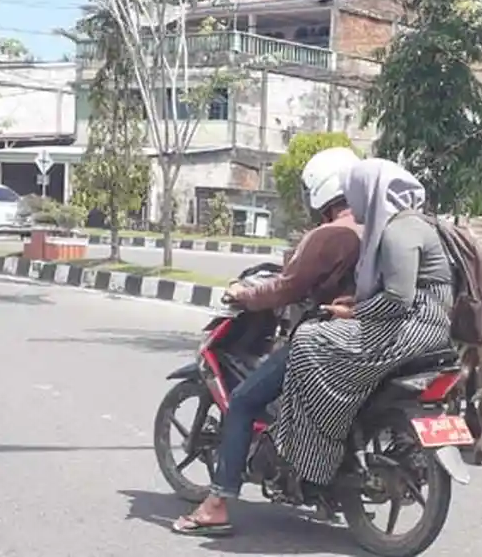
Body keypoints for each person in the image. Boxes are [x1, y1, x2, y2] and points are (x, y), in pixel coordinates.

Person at [172, 147, 364, 537]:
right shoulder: (375, 226)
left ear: (321, 190)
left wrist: (243, 294)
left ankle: (217, 504)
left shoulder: (331, 234)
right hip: (374, 337)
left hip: (326, 338)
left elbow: (286, 288)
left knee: (243, 401)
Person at [275, 158, 455, 494]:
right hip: (423, 324)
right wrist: (355, 305)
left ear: (371, 192)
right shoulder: (407, 224)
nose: (350, 200)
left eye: (354, 192)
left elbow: (398, 299)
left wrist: (353, 313)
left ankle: (316, 452)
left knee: (308, 339)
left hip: (415, 327)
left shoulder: (399, 231)